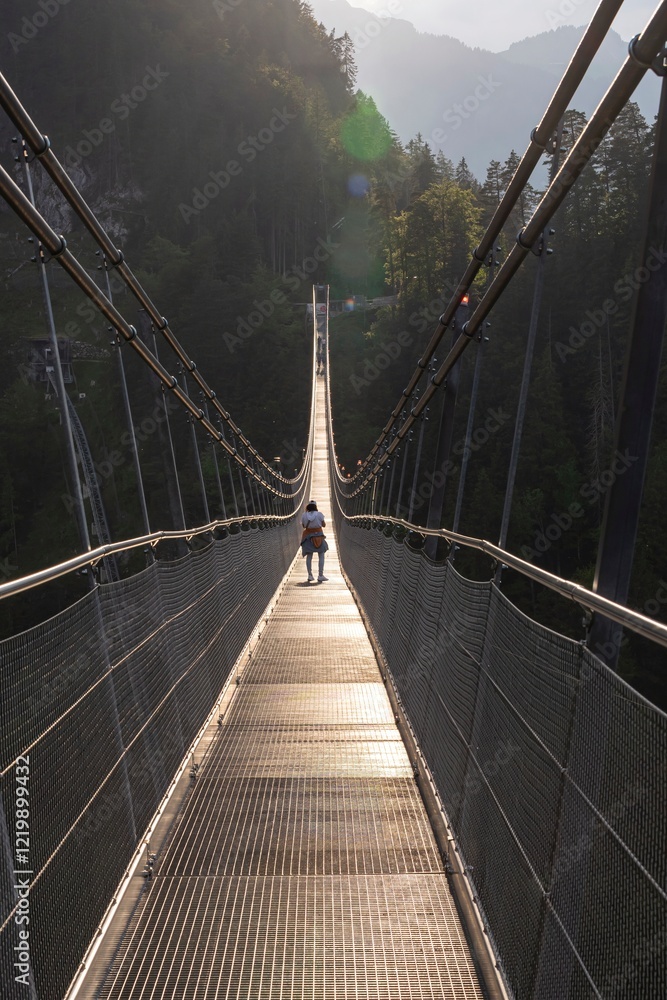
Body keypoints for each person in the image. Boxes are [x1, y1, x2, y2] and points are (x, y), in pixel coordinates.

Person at [300, 500, 329, 582]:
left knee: (309, 556)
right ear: (316, 506)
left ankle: (310, 575)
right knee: (321, 555)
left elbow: (303, 525)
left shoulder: (304, 515)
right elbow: (324, 525)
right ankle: (320, 575)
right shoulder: (319, 514)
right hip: (319, 536)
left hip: (308, 537)